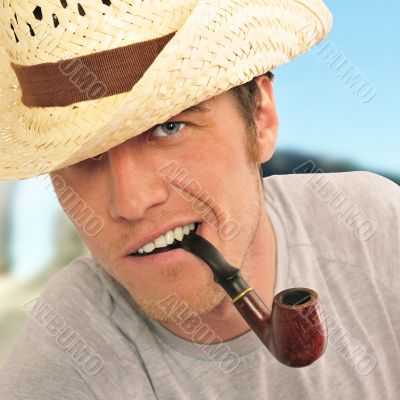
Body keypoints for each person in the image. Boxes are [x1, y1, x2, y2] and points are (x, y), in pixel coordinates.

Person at [0, 1, 399, 399]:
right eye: (83, 156)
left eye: (169, 126)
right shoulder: (62, 369)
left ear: (260, 118)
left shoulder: (378, 229)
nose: (132, 202)